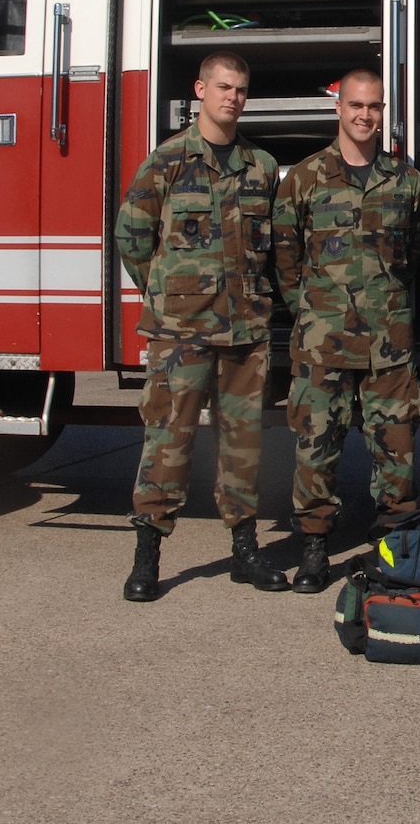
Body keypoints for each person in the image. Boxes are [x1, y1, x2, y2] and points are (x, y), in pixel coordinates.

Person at [115, 51, 289, 600]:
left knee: (243, 447)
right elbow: (133, 239)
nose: (231, 97)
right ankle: (148, 556)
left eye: (239, 89)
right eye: (221, 87)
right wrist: (169, 294)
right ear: (199, 91)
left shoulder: (260, 165)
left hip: (245, 332)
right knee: (168, 443)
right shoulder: (165, 163)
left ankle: (244, 551)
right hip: (180, 333)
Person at [272, 68, 420, 595]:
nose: (366, 116)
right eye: (357, 105)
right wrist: (312, 309)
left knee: (397, 450)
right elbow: (284, 254)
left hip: (389, 343)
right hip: (324, 342)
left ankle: (395, 549)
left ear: (385, 112)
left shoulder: (406, 180)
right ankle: (314, 549)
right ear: (339, 109)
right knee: (317, 448)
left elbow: (419, 255)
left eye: (375, 107)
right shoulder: (306, 177)